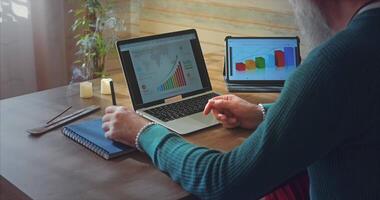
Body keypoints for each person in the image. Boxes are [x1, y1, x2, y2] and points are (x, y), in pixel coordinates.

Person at [102, 0, 380, 199]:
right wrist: (261, 112)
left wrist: (143, 132)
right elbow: (348, 111)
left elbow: (222, 180)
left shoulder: (337, 62)